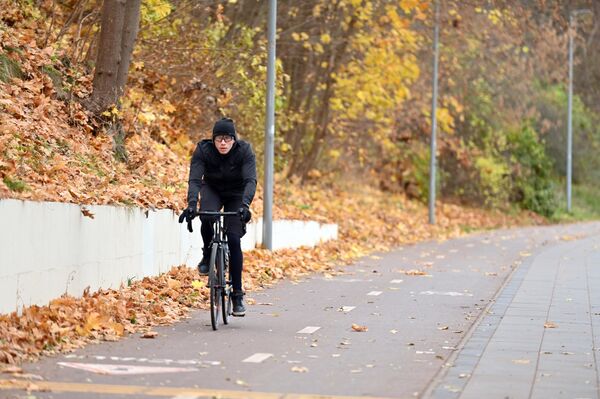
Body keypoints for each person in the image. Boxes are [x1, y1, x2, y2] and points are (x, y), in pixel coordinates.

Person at [179, 118, 256, 317]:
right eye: (219, 139)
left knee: (233, 238)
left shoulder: (244, 151)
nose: (223, 143)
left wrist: (245, 205)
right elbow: (195, 179)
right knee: (206, 217)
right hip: (212, 189)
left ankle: (237, 294)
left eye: (227, 139)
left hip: (237, 194)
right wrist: (191, 204)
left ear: (234, 140)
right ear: (213, 140)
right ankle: (207, 254)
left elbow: (250, 180)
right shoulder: (203, 150)